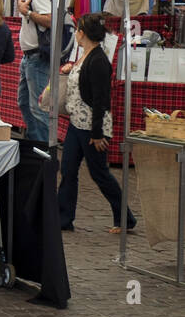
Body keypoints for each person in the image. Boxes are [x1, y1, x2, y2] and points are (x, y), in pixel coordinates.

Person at [58, 14, 136, 234]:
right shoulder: (84, 55)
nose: (76, 33)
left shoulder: (99, 61)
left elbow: (101, 100)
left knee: (99, 173)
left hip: (93, 127)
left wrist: (97, 133)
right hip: (76, 124)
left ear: (84, 33)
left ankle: (125, 217)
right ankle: (63, 218)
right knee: (68, 169)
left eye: (78, 29)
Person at [14, 0, 53, 143]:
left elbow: (50, 20)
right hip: (29, 58)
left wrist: (27, 13)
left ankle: (44, 148)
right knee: (24, 102)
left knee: (38, 106)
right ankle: (35, 141)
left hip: (36, 58)